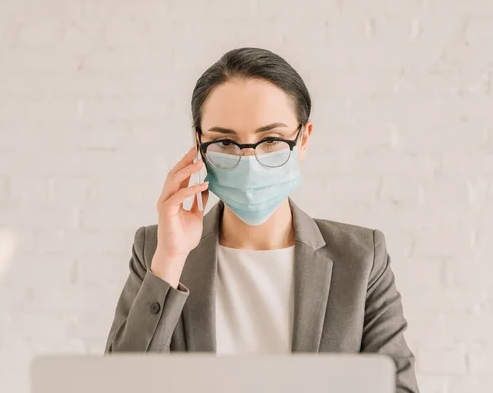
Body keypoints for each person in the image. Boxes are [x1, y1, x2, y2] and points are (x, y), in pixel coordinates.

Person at [105, 47, 419, 392]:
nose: (249, 160)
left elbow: (398, 386)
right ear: (198, 144)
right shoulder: (156, 249)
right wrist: (171, 258)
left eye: (270, 139)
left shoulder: (361, 257)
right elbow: (121, 386)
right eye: (225, 141)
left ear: (303, 139)